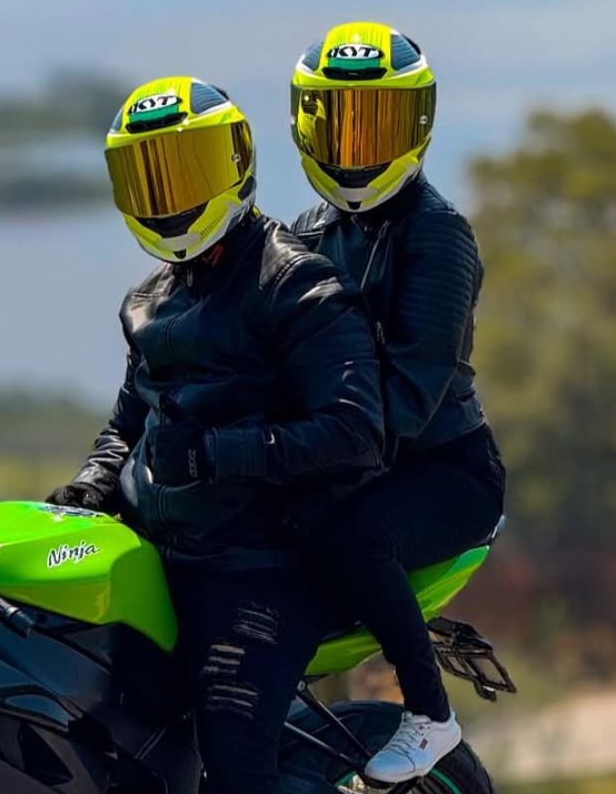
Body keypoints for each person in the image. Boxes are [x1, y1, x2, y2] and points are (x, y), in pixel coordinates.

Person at [47, 76, 385, 793]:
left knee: (232, 759)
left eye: (187, 169)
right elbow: (129, 421)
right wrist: (91, 484)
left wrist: (213, 456)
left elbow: (356, 429)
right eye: (149, 177)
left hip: (268, 562)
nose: (170, 196)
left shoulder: (296, 285)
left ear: (235, 163)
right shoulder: (147, 304)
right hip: (164, 558)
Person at [288, 21, 507, 783]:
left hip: (443, 471)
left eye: (374, 122)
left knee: (351, 541)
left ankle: (430, 715)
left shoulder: (439, 236)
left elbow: (413, 393)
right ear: (307, 126)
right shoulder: (307, 231)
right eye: (337, 122)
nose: (355, 144)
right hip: (351, 461)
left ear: (414, 126)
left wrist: (302, 462)